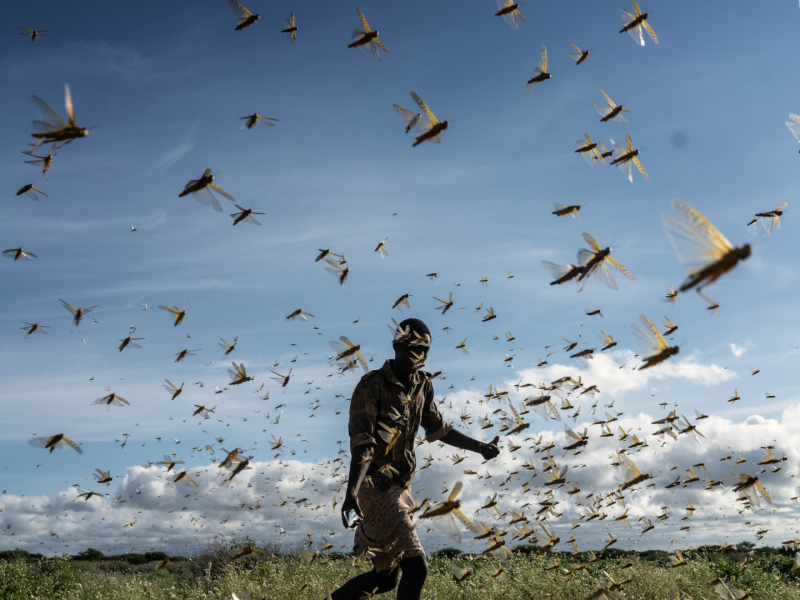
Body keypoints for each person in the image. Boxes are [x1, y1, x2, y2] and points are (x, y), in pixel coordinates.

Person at [333, 318, 501, 600]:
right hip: (374, 488)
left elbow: (438, 429)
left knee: (385, 579)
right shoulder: (371, 386)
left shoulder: (422, 385)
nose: (418, 356)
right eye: (412, 348)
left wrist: (480, 447)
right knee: (417, 567)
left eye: (424, 350)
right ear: (397, 345)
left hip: (401, 487)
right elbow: (363, 446)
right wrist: (351, 495)